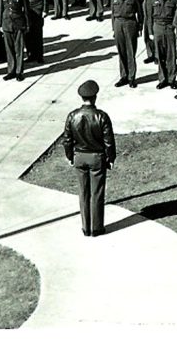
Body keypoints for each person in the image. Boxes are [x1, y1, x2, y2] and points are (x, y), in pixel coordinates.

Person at [63, 80, 116, 237]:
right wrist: (111, 157)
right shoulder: (102, 116)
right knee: (97, 193)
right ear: (95, 97)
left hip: (79, 156)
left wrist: (70, 156)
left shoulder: (72, 116)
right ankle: (96, 228)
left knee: (83, 192)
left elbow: (67, 139)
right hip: (96, 158)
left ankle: (86, 227)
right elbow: (108, 141)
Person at [110, 0, 142, 87]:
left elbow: (140, 12)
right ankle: (123, 76)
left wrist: (140, 27)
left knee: (130, 51)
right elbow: (113, 14)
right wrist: (113, 28)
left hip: (130, 23)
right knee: (121, 51)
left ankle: (131, 77)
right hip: (118, 24)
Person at [0, 0, 30, 81]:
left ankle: (19, 72)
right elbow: (1, 9)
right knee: (9, 49)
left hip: (18, 23)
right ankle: (10, 71)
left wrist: (27, 24)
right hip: (6, 23)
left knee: (19, 49)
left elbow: (26, 10)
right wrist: (0, 24)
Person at [151, 0, 177, 89]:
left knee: (171, 54)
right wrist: (150, 31)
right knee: (160, 54)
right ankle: (162, 78)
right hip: (158, 27)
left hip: (169, 27)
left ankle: (172, 79)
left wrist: (175, 27)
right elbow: (149, 16)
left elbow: (176, 15)